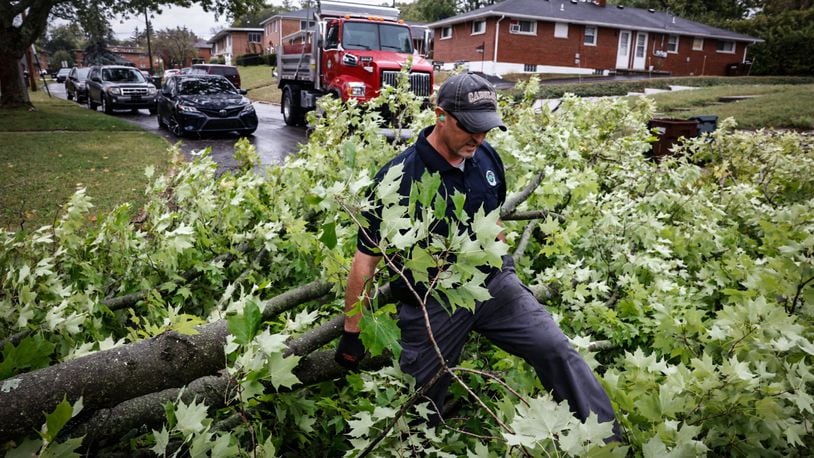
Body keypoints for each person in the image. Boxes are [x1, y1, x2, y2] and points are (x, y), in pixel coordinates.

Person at [335, 73, 619, 436]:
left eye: (485, 128)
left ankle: (607, 438)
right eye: (470, 127)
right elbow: (366, 259)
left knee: (556, 347)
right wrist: (351, 332)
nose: (479, 137)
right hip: (432, 301)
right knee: (420, 402)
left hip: (492, 283)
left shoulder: (485, 158)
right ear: (440, 115)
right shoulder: (398, 177)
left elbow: (491, 218)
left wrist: (507, 267)